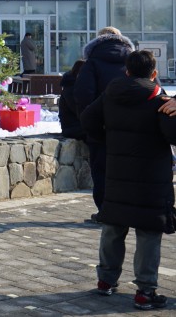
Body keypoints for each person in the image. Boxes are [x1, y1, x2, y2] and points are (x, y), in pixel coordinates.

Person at [80, 49, 176, 311]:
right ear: (154, 73)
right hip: (152, 178)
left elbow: (88, 118)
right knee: (148, 233)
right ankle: (145, 291)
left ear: (127, 71)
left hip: (117, 174)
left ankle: (105, 281)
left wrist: (105, 141)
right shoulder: (160, 100)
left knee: (113, 226)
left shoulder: (110, 94)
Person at [75, 26, 135, 222]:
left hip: (102, 128)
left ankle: (106, 211)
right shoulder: (135, 61)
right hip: (133, 128)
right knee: (128, 169)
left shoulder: (91, 63)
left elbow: (84, 96)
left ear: (98, 40)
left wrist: (90, 124)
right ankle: (128, 209)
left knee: (101, 171)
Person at [59, 59, 86, 140]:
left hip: (75, 126)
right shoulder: (71, 88)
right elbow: (78, 109)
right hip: (72, 128)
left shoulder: (72, 86)